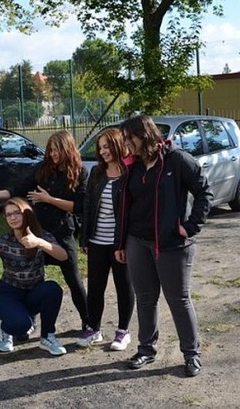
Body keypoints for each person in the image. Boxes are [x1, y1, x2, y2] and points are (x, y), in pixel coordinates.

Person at [116, 115, 212, 377]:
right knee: (145, 298)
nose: (126, 143)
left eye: (129, 138)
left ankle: (192, 355)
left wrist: (190, 226)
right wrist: (121, 241)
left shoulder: (176, 159)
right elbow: (126, 205)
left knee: (178, 300)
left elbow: (204, 191)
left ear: (145, 135)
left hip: (171, 244)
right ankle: (146, 349)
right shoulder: (132, 166)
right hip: (137, 241)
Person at [0, 130, 90, 331]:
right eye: (51, 150)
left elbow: (79, 206)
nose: (53, 154)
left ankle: (88, 321)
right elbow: (20, 188)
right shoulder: (43, 169)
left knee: (74, 279)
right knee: (31, 277)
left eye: (57, 150)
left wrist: (49, 200)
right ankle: (26, 318)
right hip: (37, 230)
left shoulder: (81, 172)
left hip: (62, 232)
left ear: (68, 149)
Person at [0, 197, 68, 355]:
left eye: (17, 213)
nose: (12, 217)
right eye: (8, 215)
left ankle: (47, 336)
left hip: (34, 292)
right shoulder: (4, 241)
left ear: (27, 214)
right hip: (8, 294)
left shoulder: (42, 236)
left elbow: (63, 256)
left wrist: (39, 243)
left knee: (53, 289)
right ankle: (6, 329)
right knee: (20, 325)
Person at [77, 127, 135, 350]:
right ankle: (94, 329)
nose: (103, 151)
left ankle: (123, 331)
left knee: (124, 286)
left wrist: (128, 241)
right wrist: (84, 237)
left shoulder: (130, 172)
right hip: (97, 241)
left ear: (118, 145)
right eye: (100, 148)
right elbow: (88, 206)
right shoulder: (97, 173)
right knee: (96, 287)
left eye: (107, 146)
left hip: (121, 243)